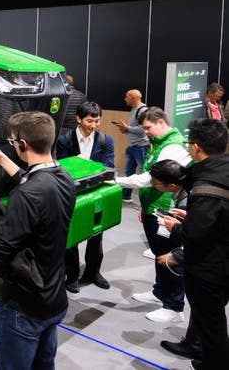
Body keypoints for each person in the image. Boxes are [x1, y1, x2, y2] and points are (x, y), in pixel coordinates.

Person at [0, 111, 76, 369]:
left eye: (13, 142)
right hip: (54, 301)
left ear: (22, 145)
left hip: (24, 309)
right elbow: (35, 180)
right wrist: (1, 158)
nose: (12, 146)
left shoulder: (26, 195)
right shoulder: (65, 179)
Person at [158, 118, 229, 370]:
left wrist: (175, 227)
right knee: (210, 316)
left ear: (197, 147)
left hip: (210, 267)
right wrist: (193, 216)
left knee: (213, 324)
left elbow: (195, 236)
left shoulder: (205, 186)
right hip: (222, 260)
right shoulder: (222, 171)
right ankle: (195, 347)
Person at [115, 106, 190, 323]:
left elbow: (150, 178)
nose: (145, 132)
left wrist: (117, 181)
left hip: (165, 211)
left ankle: (174, 306)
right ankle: (160, 292)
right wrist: (145, 208)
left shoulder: (171, 147)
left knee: (169, 258)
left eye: (148, 127)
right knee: (159, 254)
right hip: (154, 208)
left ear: (160, 122)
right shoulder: (159, 142)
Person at [56, 101, 115, 293]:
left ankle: (92, 272)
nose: (94, 125)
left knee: (97, 235)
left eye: (97, 121)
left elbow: (107, 167)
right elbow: (64, 169)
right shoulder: (65, 140)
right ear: (79, 119)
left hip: (96, 194)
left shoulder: (106, 140)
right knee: (71, 236)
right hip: (72, 195)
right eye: (90, 121)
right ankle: (71, 275)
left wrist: (84, 166)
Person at [148, 160, 202, 360]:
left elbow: (199, 235)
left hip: (205, 263)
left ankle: (175, 309)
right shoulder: (185, 192)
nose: (153, 185)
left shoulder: (190, 197)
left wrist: (175, 256)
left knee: (207, 312)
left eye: (155, 183)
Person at [112, 89, 150, 203]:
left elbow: (143, 129)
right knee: (129, 172)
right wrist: (126, 129)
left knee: (145, 174)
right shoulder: (135, 109)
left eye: (126, 96)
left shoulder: (143, 111)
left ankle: (147, 199)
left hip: (142, 147)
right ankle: (126, 197)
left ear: (133, 98)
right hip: (133, 147)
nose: (125, 99)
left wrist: (128, 128)